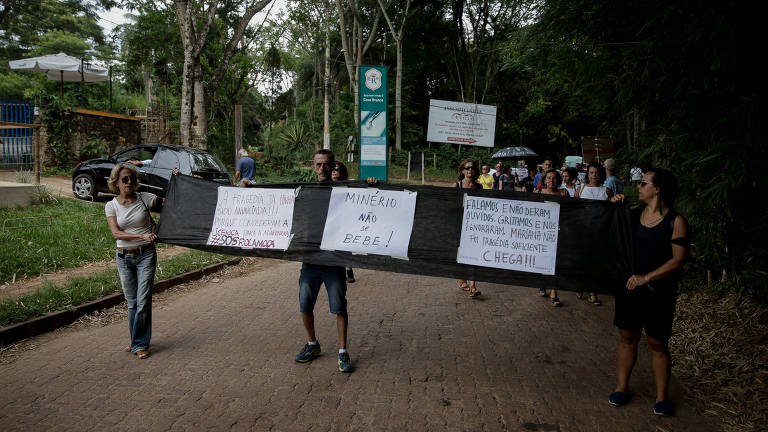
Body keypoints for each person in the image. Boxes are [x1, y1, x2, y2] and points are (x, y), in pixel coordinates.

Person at [608, 168, 690, 417]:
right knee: (628, 338)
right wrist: (614, 206)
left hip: (659, 291)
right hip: (630, 288)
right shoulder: (632, 215)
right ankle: (622, 387)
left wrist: (647, 278)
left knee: (657, 342)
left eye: (643, 183)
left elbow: (678, 260)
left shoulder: (676, 222)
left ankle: (662, 396)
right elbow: (609, 230)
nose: (639, 186)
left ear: (657, 189)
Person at [295, 149, 355, 372]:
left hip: (333, 260)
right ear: (314, 166)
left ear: (333, 167)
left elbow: (368, 200)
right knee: (304, 304)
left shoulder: (345, 191)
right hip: (310, 260)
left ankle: (342, 351)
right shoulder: (307, 190)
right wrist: (248, 188)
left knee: (339, 307)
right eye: (318, 164)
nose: (322, 168)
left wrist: (371, 183)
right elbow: (278, 198)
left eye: (326, 165)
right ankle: (312, 344)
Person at [105, 163, 159, 360]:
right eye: (124, 179)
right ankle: (136, 339)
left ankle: (140, 344)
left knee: (143, 300)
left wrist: (177, 178)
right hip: (124, 257)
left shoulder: (144, 198)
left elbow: (170, 204)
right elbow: (115, 233)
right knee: (132, 303)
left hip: (146, 255)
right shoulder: (111, 205)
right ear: (116, 183)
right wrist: (142, 236)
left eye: (131, 179)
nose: (129, 182)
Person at [575, 161, 612, 306]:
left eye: (597, 172)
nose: (594, 175)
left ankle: (593, 292)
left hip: (600, 231)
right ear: (587, 174)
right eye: (591, 172)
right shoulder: (581, 189)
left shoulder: (606, 191)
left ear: (601, 174)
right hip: (584, 230)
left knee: (596, 262)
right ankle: (581, 285)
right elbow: (574, 210)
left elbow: (613, 211)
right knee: (582, 261)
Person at [536, 169, 568, 306]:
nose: (551, 181)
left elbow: (569, 211)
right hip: (541, 232)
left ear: (558, 181)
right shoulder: (538, 193)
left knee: (556, 261)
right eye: (548, 178)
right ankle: (543, 283)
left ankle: (554, 291)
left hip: (558, 231)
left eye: (554, 178)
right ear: (544, 180)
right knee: (542, 258)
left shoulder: (563, 193)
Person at [455, 158, 482, 298]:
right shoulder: (457, 185)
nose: (469, 170)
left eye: (472, 168)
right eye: (467, 168)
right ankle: (462, 278)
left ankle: (473, 285)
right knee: (461, 253)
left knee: (474, 254)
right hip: (459, 223)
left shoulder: (479, 187)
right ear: (462, 171)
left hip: (474, 225)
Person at [332, 161, 356, 283]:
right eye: (332, 168)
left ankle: (348, 269)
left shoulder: (350, 183)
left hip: (345, 219)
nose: (334, 171)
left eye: (337, 169)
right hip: (331, 220)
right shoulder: (324, 184)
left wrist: (370, 181)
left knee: (345, 245)